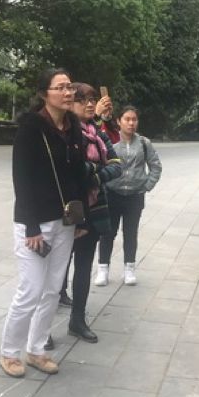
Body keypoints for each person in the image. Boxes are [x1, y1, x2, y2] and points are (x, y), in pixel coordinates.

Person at [0, 69, 87, 378]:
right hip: (35, 222)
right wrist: (32, 226)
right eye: (60, 87)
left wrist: (81, 217)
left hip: (65, 221)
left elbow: (78, 174)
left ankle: (37, 349)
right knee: (31, 290)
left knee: (52, 289)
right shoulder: (30, 129)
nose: (67, 93)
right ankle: (10, 352)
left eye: (70, 87)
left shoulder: (73, 127)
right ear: (43, 93)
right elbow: (21, 179)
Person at [58, 83, 122, 344]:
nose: (88, 103)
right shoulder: (64, 133)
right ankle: (42, 327)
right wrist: (95, 170)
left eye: (91, 99)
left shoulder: (97, 133)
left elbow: (116, 165)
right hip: (67, 209)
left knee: (84, 266)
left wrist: (94, 175)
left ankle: (77, 319)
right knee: (57, 267)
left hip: (94, 208)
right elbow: (71, 168)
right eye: (81, 99)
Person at [96, 105, 161, 287]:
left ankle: (129, 269)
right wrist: (103, 183)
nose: (131, 123)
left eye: (134, 119)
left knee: (131, 233)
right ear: (119, 121)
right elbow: (100, 163)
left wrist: (146, 185)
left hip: (134, 196)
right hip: (112, 194)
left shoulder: (143, 143)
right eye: (127, 119)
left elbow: (155, 166)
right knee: (108, 233)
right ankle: (103, 269)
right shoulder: (110, 141)